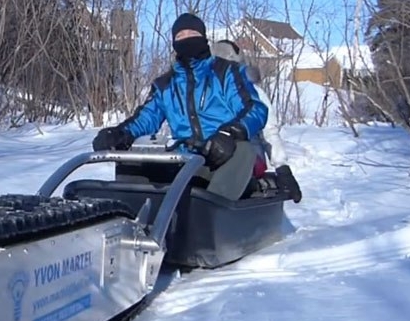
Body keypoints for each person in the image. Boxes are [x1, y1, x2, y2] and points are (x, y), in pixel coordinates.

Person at [91, 12, 268, 201]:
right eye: (180, 36)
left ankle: (210, 215)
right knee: (132, 159)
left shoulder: (227, 73)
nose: (186, 40)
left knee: (242, 151)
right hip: (185, 159)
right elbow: (146, 117)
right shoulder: (166, 84)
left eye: (191, 34)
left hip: (221, 155)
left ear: (202, 36)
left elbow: (255, 109)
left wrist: (230, 133)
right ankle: (132, 212)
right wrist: (120, 133)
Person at [210, 39, 302, 202]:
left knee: (237, 158)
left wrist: (282, 168)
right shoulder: (204, 93)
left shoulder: (252, 93)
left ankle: (256, 186)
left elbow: (269, 132)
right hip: (212, 155)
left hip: (246, 157)